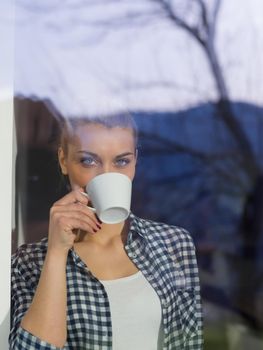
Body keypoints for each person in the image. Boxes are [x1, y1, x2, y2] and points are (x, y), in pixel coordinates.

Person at [9, 113, 203, 350]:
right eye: (89, 161)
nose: (107, 175)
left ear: (135, 161)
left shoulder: (174, 243)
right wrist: (57, 253)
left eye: (121, 161)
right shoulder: (29, 261)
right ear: (63, 161)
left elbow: (190, 343)